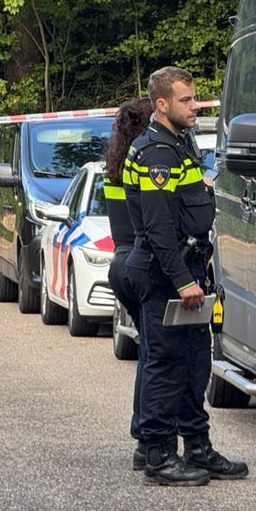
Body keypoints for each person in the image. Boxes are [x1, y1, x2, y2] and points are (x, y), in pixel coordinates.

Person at [124, 66, 248, 486]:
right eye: (186, 100)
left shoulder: (179, 143)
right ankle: (158, 454)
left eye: (195, 99)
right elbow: (158, 227)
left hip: (187, 265)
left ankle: (196, 445)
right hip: (165, 271)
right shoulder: (157, 153)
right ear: (162, 105)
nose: (195, 106)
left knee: (194, 360)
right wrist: (182, 280)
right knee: (166, 363)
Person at [103, 97, 155, 471]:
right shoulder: (147, 166)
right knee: (158, 358)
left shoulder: (115, 167)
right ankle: (147, 437)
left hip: (120, 264)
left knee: (149, 354)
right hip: (141, 263)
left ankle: (144, 432)